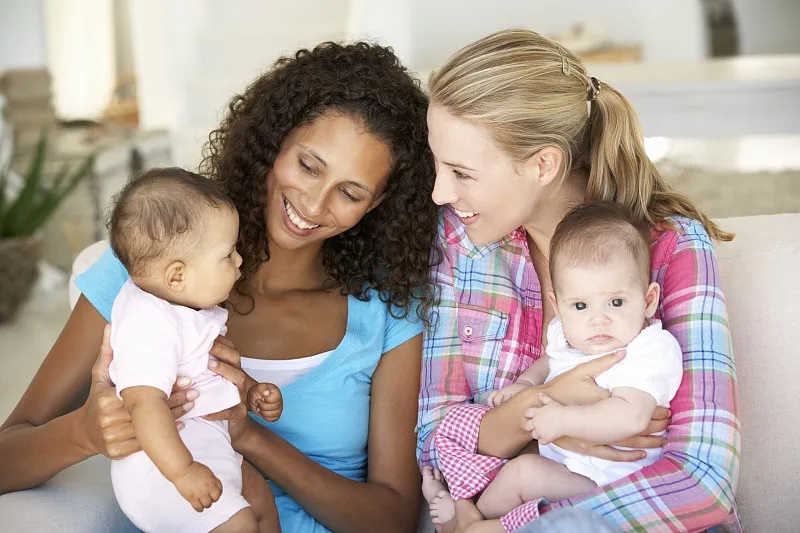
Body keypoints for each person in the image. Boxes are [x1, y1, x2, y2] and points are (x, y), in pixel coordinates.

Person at [0, 41, 439, 533]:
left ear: (377, 205)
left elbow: (393, 520)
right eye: (309, 165)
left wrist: (248, 436)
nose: (314, 204)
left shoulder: (388, 306)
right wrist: (83, 434)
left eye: (350, 192)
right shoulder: (148, 272)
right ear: (275, 141)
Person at [416, 29, 741, 533]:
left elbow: (702, 480)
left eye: (461, 172)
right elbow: (435, 442)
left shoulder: (671, 247)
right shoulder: (462, 243)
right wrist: (547, 406)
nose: (439, 192)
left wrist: (516, 519)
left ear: (543, 163)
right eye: (437, 165)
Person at [426, 202, 684, 531]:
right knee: (493, 449)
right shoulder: (569, 336)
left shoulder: (649, 348)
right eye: (580, 305)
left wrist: (563, 419)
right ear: (558, 307)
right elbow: (551, 361)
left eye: (616, 302)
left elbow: (631, 416)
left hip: (611, 485)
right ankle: (469, 518)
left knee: (525, 472)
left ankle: (468, 525)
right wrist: (524, 385)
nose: (598, 319)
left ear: (648, 300)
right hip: (569, 467)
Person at [104, 168, 282, 533]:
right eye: (227, 254)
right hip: (162, 469)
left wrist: (251, 391)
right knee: (241, 524)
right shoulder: (147, 320)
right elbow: (143, 403)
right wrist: (182, 471)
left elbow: (208, 370)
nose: (239, 261)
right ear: (177, 276)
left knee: (261, 500)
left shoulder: (187, 308)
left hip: (209, 450)